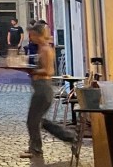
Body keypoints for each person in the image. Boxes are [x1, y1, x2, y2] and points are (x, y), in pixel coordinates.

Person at [20, 22, 75, 158]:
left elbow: (49, 71)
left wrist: (32, 71)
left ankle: (37, 148)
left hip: (43, 89)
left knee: (33, 120)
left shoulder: (45, 49)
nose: (30, 37)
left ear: (38, 35)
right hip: (40, 88)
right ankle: (67, 137)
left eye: (32, 35)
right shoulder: (41, 48)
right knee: (37, 120)